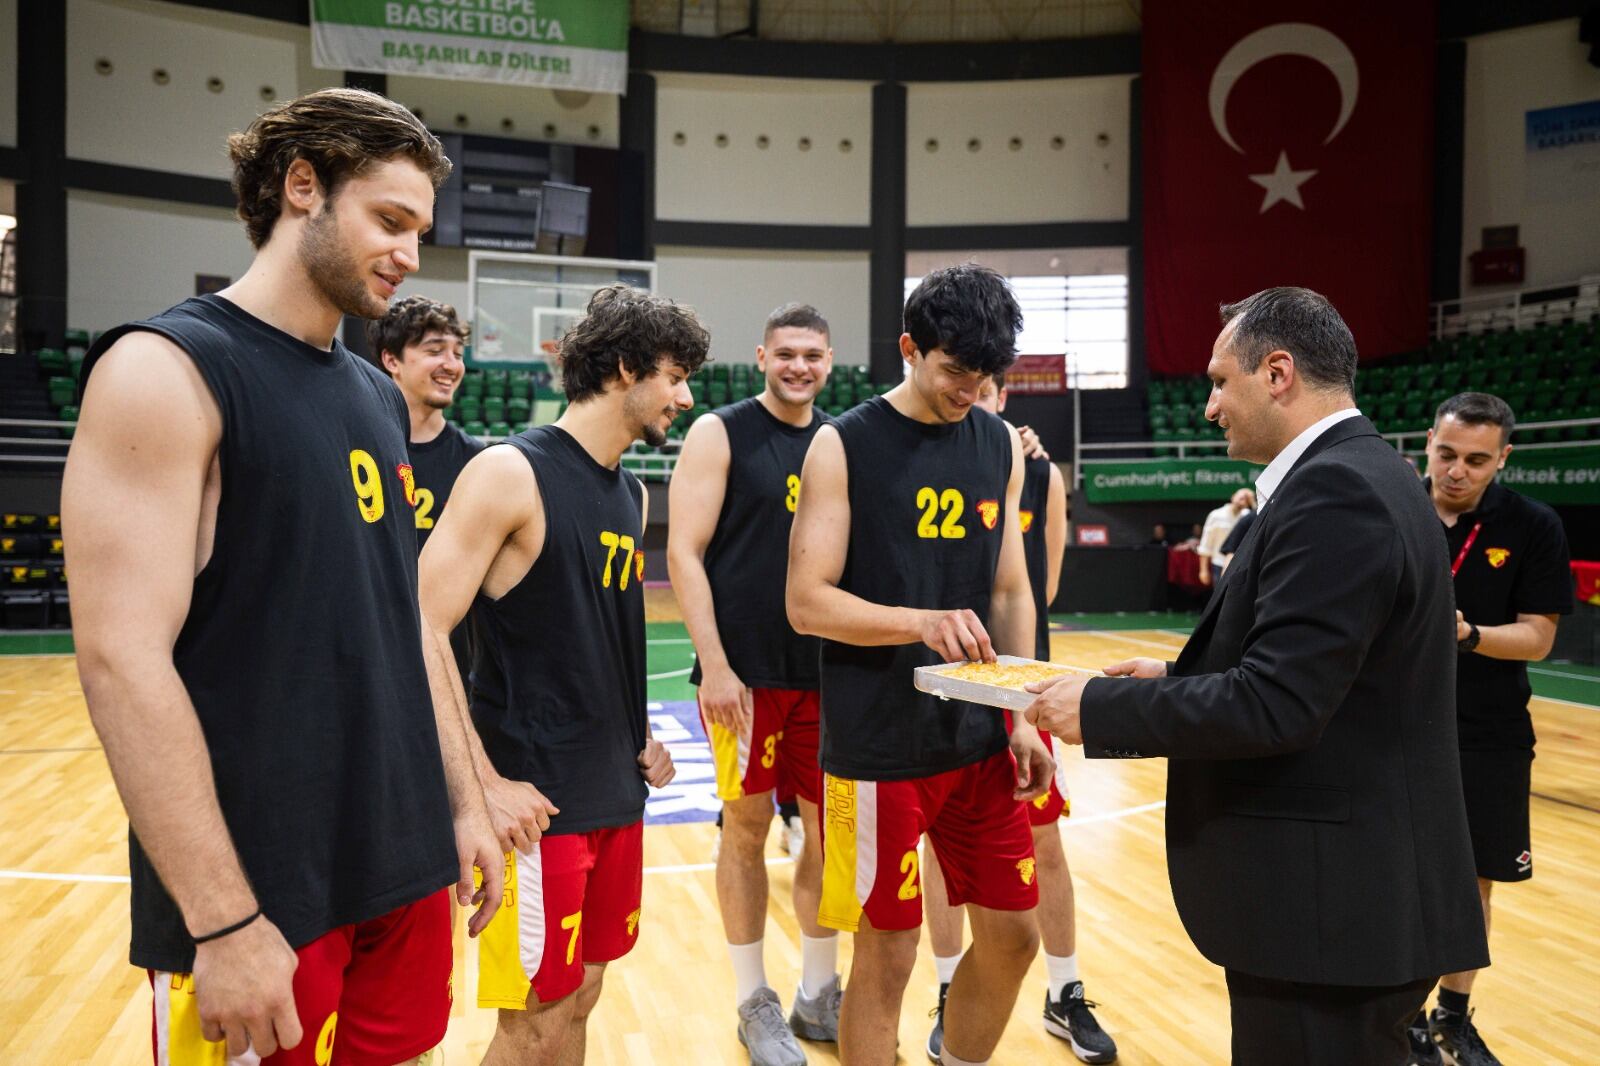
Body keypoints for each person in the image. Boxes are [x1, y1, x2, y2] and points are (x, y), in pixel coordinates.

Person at [61, 88, 502, 1064]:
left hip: (399, 862)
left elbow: (403, 623)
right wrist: (221, 922)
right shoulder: (164, 370)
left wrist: (461, 804)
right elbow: (119, 659)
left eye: (420, 230)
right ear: (302, 187)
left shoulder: (374, 398)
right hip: (262, 894)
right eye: (389, 219)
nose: (409, 253)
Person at [1023, 287, 1488, 1064]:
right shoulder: (1374, 474)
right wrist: (1174, 676)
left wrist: (1099, 708)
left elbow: (1279, 705)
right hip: (1353, 907)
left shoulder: (1337, 492)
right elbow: (1339, 673)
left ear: (1278, 373)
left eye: (1218, 381)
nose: (1209, 407)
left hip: (1332, 916)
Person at [416, 284, 705, 1065]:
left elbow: (590, 635)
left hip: (613, 789)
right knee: (533, 1020)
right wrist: (481, 785)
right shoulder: (509, 472)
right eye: (674, 376)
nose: (684, 397)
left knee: (580, 1000)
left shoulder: (632, 492)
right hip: (534, 804)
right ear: (623, 368)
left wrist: (639, 735)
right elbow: (422, 624)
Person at [787, 263, 1055, 1066]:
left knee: (1014, 936)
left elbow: (1011, 588)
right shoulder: (843, 444)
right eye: (953, 369)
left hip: (977, 736)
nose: (969, 388)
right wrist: (918, 622)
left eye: (985, 373)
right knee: (890, 954)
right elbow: (806, 601)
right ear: (910, 348)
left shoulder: (999, 443)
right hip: (877, 749)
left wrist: (1025, 713)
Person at [920, 373, 1116, 1065]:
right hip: (950, 686)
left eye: (990, 389)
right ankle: (951, 989)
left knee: (1047, 844)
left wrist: (1022, 672)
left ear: (1004, 397)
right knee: (944, 854)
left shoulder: (1037, 472)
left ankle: (1065, 993)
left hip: (1024, 686)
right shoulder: (924, 461)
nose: (977, 398)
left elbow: (1045, 585)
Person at [667, 302, 841, 1066]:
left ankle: (818, 990)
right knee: (743, 830)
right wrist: (715, 664)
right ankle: (752, 1001)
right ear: (762, 356)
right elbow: (683, 551)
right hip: (745, 680)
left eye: (813, 355)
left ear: (829, 362)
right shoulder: (720, 431)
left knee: (831, 834)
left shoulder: (841, 441)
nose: (799, 367)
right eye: (787, 354)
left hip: (828, 676)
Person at [1410, 393, 1573, 1066]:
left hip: (1488, 730)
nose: (1457, 471)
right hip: (1396, 724)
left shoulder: (1533, 525)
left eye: (1477, 460)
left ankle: (1452, 1015)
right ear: (1427, 443)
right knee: (1397, 872)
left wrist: (1468, 635)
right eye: (1446, 454)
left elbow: (1538, 637)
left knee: (1476, 878)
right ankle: (1399, 1018)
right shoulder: (1393, 507)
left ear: (1503, 458)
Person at [370, 294, 483, 688]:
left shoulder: (480, 463)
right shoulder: (357, 448)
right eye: (436, 351)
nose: (451, 365)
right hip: (371, 661)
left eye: (457, 352)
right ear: (392, 360)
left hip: (451, 671)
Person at [1196, 487, 1254, 584]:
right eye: (1241, 495)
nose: (1244, 497)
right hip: (1219, 563)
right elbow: (1205, 544)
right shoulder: (1216, 515)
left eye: (1247, 498)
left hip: (1240, 566)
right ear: (1233, 497)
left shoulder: (1248, 516)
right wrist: (1203, 570)